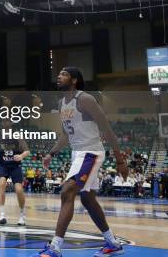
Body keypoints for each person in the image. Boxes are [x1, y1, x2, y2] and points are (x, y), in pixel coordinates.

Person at [32, 67, 128, 257]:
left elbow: (107, 128)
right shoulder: (62, 103)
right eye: (58, 74)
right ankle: (112, 242)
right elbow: (65, 135)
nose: (59, 76)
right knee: (87, 198)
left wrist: (120, 160)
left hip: (91, 152)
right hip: (78, 154)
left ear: (74, 80)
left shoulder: (84, 99)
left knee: (67, 191)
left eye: (64, 74)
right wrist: (52, 153)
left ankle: (55, 248)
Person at [0, 119, 30, 225]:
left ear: (11, 123)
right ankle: (2, 214)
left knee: (18, 189)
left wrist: (21, 156)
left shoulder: (17, 135)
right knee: (1, 184)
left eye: (7, 121)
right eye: (4, 121)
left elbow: (27, 151)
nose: (5, 123)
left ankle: (22, 214)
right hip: (3, 165)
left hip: (15, 166)